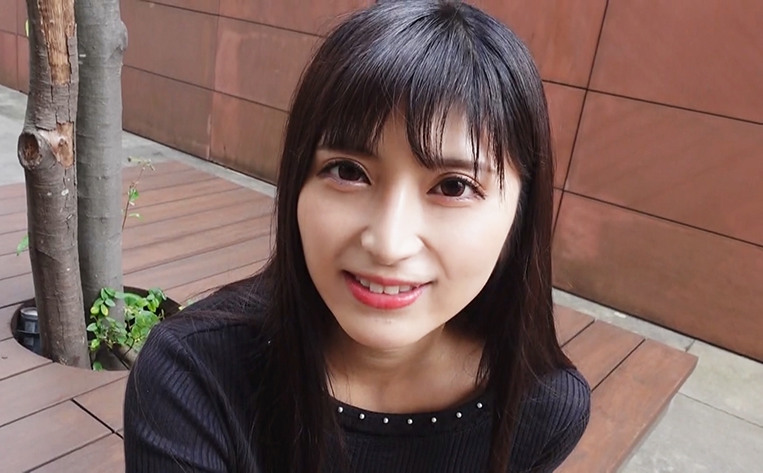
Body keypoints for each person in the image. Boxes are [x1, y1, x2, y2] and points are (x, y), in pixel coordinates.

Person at [123, 1, 591, 472]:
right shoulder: (193, 376)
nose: (388, 244)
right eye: (348, 172)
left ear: (520, 214)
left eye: (454, 186)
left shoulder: (542, 408)